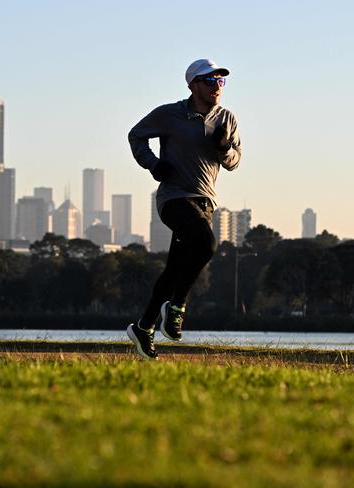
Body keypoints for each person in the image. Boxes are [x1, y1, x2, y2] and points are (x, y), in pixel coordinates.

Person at [126, 59, 242, 359]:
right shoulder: (170, 114)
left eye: (220, 81)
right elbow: (135, 135)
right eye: (209, 81)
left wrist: (223, 148)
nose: (216, 86)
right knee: (207, 244)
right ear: (192, 85)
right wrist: (153, 164)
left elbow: (234, 161)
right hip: (174, 198)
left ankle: (144, 326)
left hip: (205, 202)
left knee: (175, 269)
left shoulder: (226, 119)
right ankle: (177, 306)